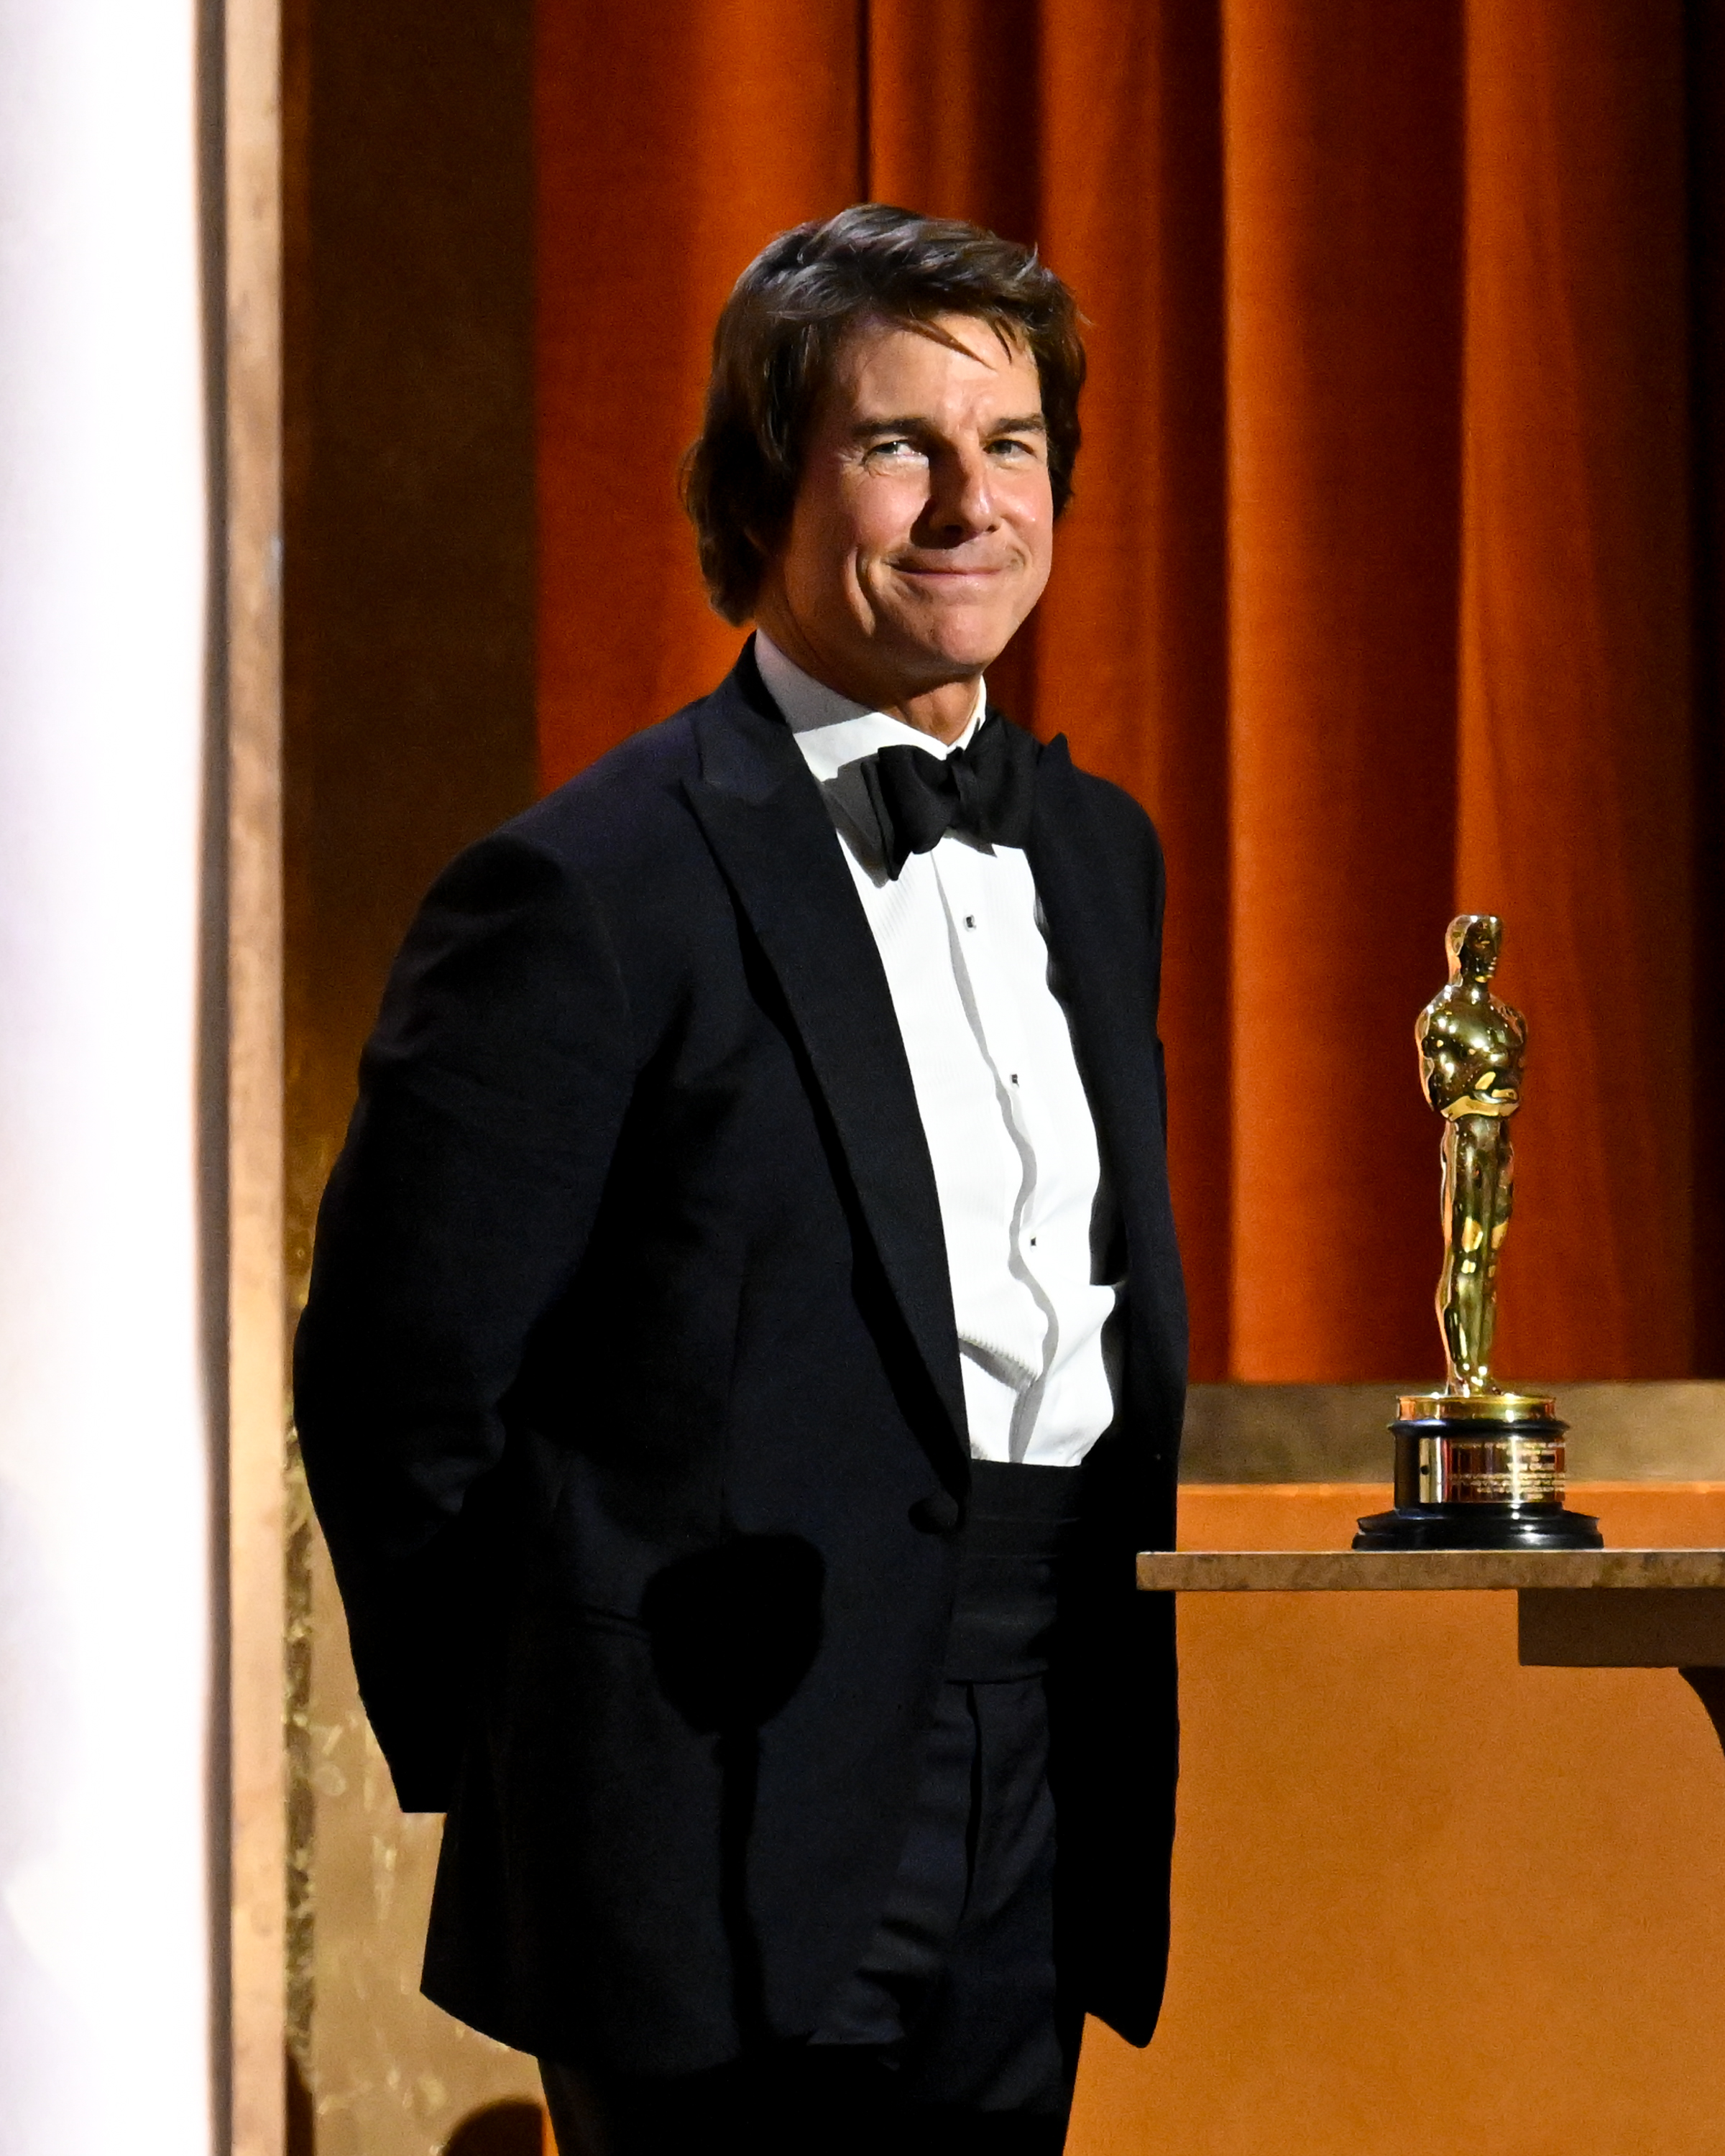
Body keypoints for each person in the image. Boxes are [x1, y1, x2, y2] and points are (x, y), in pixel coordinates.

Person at [294, 203, 1186, 2155]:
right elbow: (391, 1384)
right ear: (765, 484)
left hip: (1036, 1744)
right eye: (897, 447)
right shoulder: (584, 889)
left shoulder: (1101, 859)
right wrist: (554, 1741)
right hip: (697, 1798)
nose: (971, 503)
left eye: (1012, 445)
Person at [1415, 913, 1526, 1393]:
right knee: (1465, 1254)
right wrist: (1487, 1091)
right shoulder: (1442, 1018)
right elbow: (1443, 1094)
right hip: (1467, 1143)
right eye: (1481, 942)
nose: (1490, 952)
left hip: (1498, 1144)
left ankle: (1481, 1373)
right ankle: (1464, 1376)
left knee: (1490, 1262)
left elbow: (1513, 1088)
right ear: (1458, 947)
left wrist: (1488, 1090)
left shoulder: (1508, 1019)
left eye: (1495, 941)